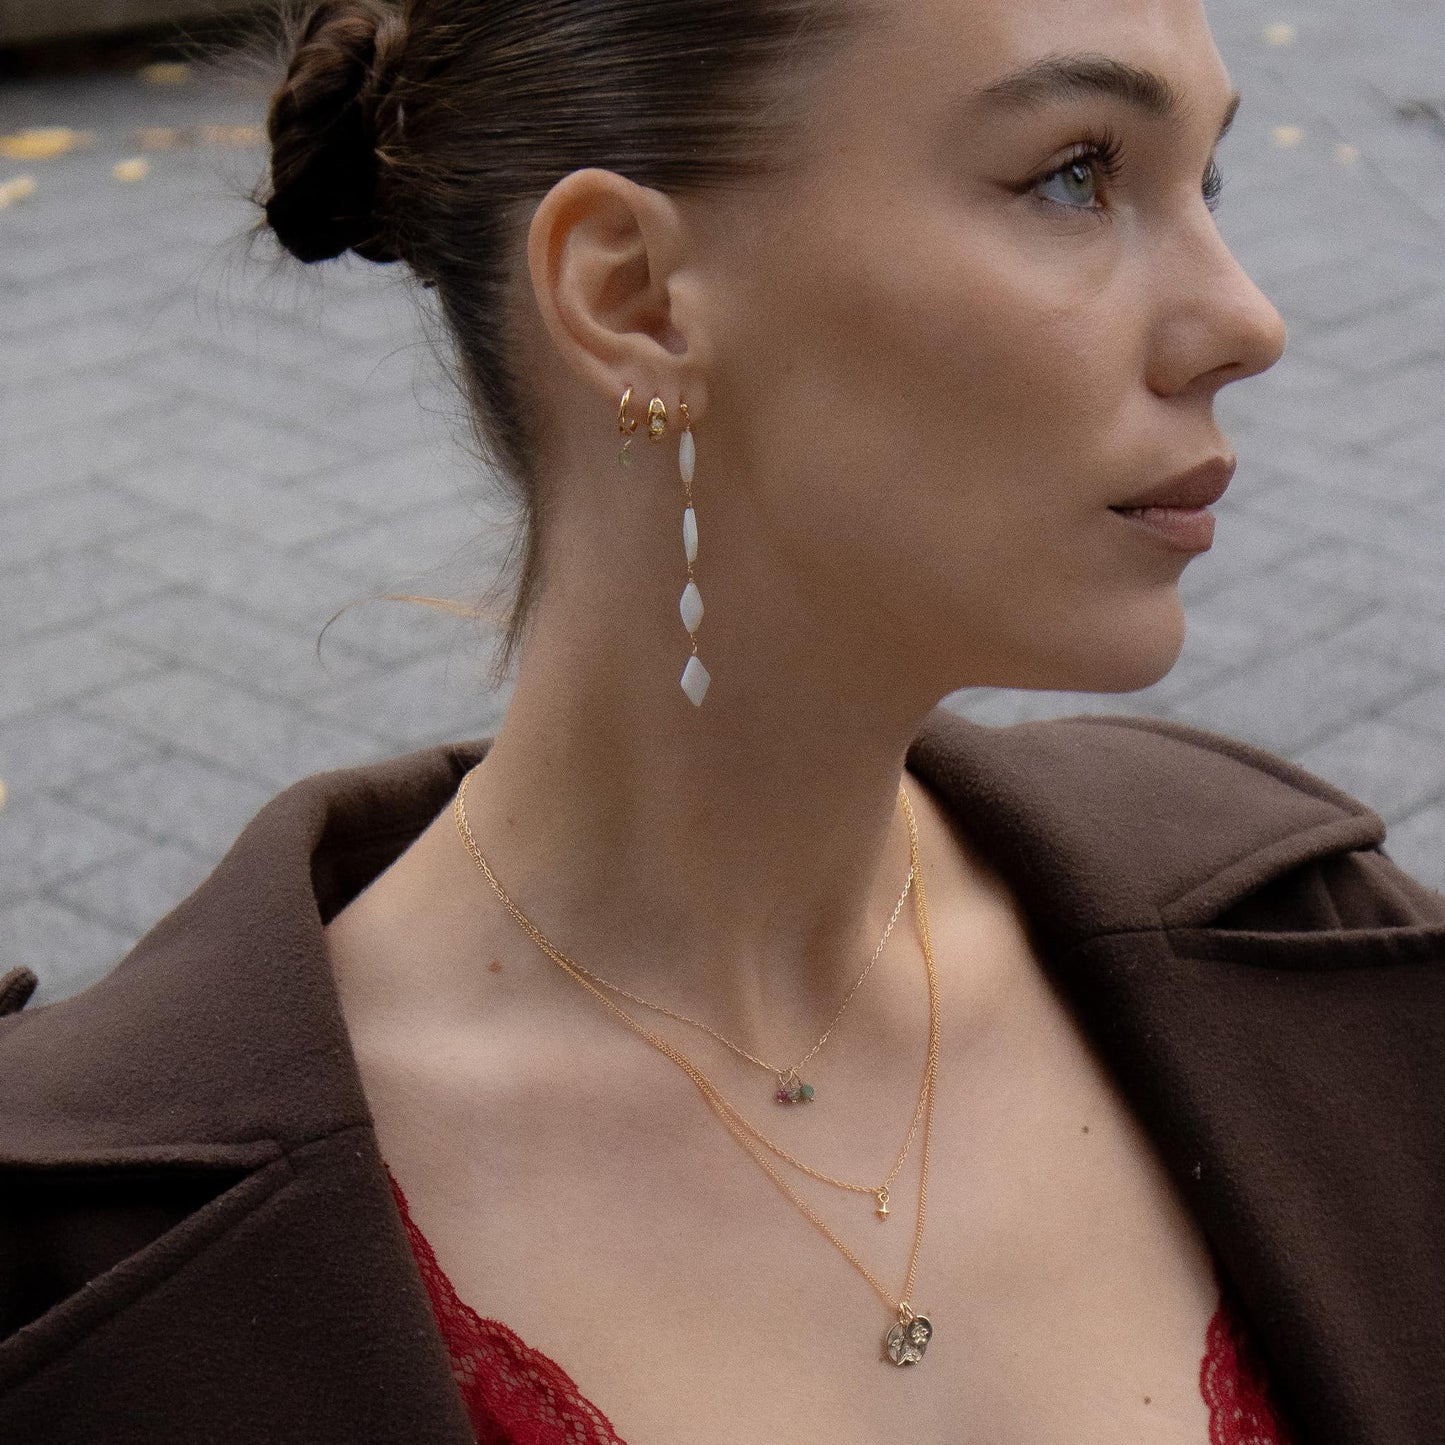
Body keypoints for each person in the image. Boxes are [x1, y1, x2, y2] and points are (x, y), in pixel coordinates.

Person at [1, 0, 1442, 1441]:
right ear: (634, 295)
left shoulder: (1328, 952)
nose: (1246, 321)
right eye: (1075, 175)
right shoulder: (87, 1288)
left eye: (1207, 179)